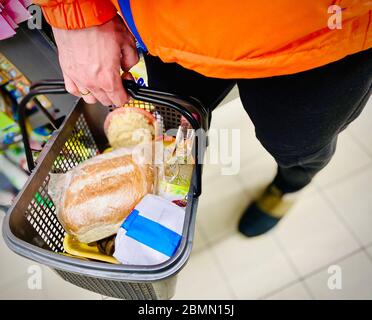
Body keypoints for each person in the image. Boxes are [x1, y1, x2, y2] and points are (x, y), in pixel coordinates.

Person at [34, 0, 372, 236]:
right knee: (175, 132)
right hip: (170, 26)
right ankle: (168, 203)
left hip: (325, 36)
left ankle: (289, 186)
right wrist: (72, 12)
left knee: (296, 145)